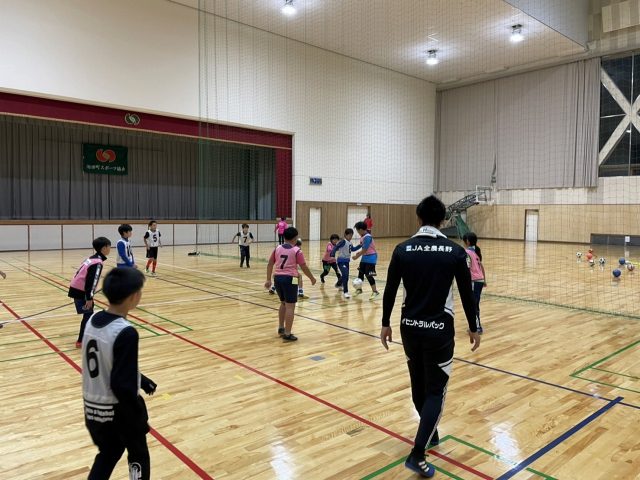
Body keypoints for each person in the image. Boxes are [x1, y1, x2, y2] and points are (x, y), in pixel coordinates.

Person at [380, 195, 481, 478]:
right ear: (443, 220)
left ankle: (429, 431)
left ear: (418, 217)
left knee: (418, 385)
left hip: (409, 327)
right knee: (436, 391)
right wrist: (474, 326)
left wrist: (385, 323)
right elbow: (466, 293)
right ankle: (417, 454)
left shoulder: (402, 249)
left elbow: (390, 289)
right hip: (439, 331)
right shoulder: (455, 252)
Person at [82, 267, 157, 480]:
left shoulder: (93, 320)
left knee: (109, 453)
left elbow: (109, 361)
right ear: (133, 296)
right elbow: (121, 384)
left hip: (92, 409)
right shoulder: (125, 331)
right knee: (138, 455)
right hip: (118, 411)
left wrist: (141, 380)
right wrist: (138, 416)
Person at [265, 227, 316, 341]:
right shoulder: (297, 250)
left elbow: (270, 264)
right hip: (291, 279)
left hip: (277, 278)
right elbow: (303, 267)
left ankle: (281, 327)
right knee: (290, 306)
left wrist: (268, 279)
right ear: (295, 238)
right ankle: (287, 333)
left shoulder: (277, 248)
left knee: (283, 303)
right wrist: (312, 278)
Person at [68, 237, 111, 349]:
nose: (110, 249)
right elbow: (91, 282)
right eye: (109, 246)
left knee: (88, 314)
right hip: (81, 291)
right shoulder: (97, 263)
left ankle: (86, 337)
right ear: (104, 248)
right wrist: (89, 297)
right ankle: (81, 341)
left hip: (76, 288)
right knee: (88, 315)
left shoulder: (92, 258)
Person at [462, 232, 487, 334]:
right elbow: (481, 266)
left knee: (472, 304)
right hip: (479, 280)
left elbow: (467, 268)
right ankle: (476, 325)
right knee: (475, 304)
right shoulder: (476, 251)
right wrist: (484, 280)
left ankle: (477, 327)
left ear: (467, 241)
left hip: (474, 281)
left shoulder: (467, 252)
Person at [352, 222, 380, 299]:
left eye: (357, 230)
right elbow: (360, 246)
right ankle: (359, 289)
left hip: (371, 257)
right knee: (360, 274)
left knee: (369, 275)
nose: (357, 232)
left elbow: (364, 249)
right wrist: (352, 249)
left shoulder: (367, 237)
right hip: (364, 257)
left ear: (361, 229)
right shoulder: (362, 236)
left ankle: (375, 292)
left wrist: (356, 256)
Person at [330, 228, 355, 299]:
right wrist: (332, 254)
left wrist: (360, 245)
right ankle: (345, 292)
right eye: (349, 235)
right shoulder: (343, 241)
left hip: (347, 262)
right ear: (345, 235)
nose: (350, 237)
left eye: (351, 235)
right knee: (345, 274)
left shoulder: (350, 243)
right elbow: (336, 247)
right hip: (341, 261)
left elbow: (353, 249)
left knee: (346, 276)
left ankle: (338, 284)